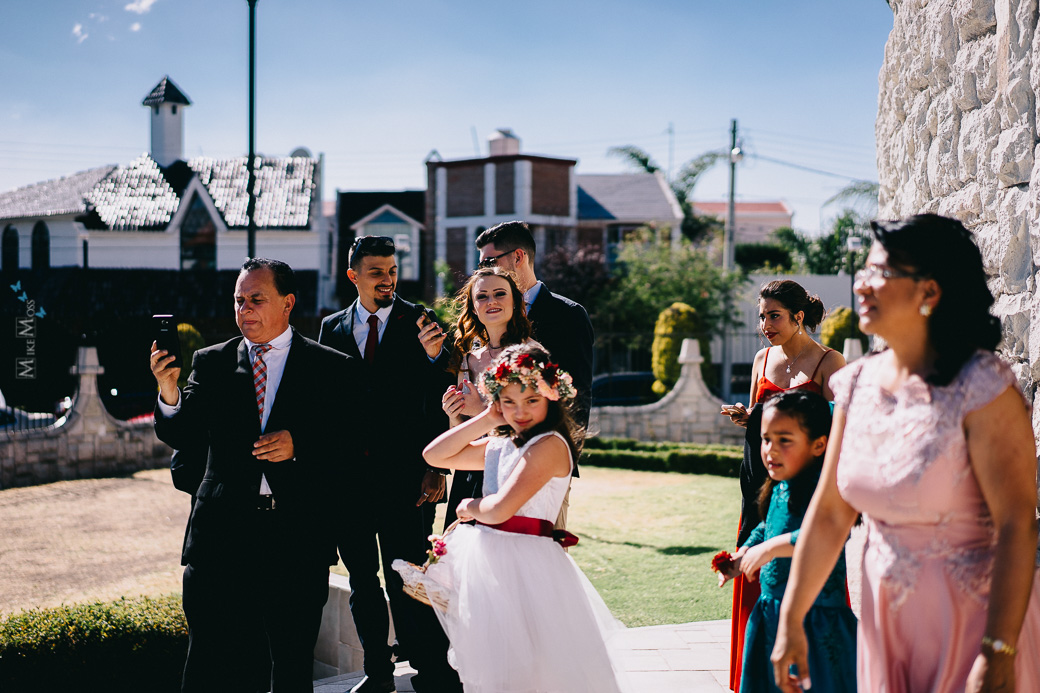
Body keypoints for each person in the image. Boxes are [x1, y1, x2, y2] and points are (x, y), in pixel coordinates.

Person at [772, 214, 1040, 693]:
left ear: (929, 292)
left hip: (972, 623)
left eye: (881, 273)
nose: (863, 285)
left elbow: (1018, 524)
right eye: (864, 271)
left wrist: (997, 649)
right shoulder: (855, 384)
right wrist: (791, 617)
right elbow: (832, 512)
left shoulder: (983, 388)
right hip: (884, 619)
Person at [150, 258, 356, 693]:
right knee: (212, 663)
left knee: (291, 666)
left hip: (296, 541)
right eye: (239, 301)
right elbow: (181, 434)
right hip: (221, 540)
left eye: (256, 300)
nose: (244, 310)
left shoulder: (331, 367)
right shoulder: (211, 362)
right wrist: (168, 390)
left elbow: (349, 447)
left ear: (288, 303)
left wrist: (301, 446)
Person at [397, 345, 627, 693]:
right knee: (499, 671)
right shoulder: (503, 444)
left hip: (528, 567)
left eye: (532, 400)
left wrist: (467, 508)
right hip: (493, 566)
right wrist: (487, 419)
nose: (520, 411)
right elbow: (434, 454)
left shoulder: (549, 444)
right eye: (509, 401)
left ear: (552, 396)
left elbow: (500, 509)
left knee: (536, 669)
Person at [318, 236, 461, 693]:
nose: (387, 279)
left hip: (407, 480)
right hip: (349, 484)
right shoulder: (331, 328)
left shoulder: (421, 320)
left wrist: (436, 467)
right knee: (363, 582)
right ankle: (377, 673)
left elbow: (441, 397)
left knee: (408, 578)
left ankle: (429, 670)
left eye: (392, 270)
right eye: (376, 271)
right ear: (353, 276)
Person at [719, 279, 845, 692]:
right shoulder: (761, 358)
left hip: (808, 487)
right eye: (762, 316)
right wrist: (747, 417)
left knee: (803, 566)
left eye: (774, 315)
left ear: (799, 317)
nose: (765, 324)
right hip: (760, 480)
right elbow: (764, 416)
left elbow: (837, 428)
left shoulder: (830, 363)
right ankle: (754, 675)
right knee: (757, 573)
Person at [717, 390, 856, 693]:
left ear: (819, 445)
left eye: (784, 440)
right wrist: (743, 555)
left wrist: (767, 550)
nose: (770, 450)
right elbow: (767, 527)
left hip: (816, 620)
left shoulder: (824, 494)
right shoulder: (780, 487)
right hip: (770, 613)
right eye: (766, 439)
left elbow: (818, 534)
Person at [475, 220, 594, 530]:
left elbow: (577, 391)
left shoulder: (567, 315)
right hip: (487, 458)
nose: (483, 271)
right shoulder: (482, 316)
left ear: (518, 257)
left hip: (543, 459)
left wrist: (561, 455)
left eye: (490, 261)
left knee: (541, 557)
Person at [439, 266, 542, 527]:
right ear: (473, 307)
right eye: (482, 296)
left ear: (515, 301)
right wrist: (453, 415)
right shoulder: (467, 360)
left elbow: (538, 422)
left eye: (500, 293)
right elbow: (462, 433)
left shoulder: (531, 354)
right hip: (470, 475)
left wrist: (480, 410)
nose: (491, 301)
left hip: (513, 468)